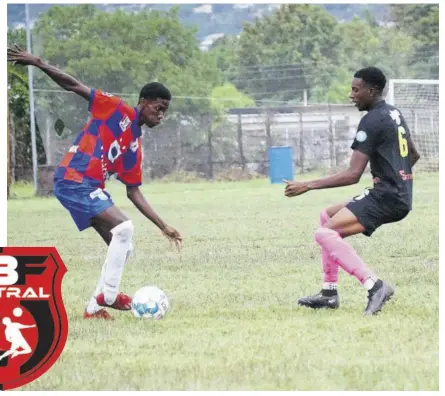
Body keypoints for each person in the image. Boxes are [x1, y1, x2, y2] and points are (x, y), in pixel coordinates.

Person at [7, 44, 183, 320]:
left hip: (90, 188)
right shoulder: (115, 108)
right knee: (123, 228)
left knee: (124, 246)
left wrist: (164, 226)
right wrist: (38, 62)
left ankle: (94, 308)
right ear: (145, 101)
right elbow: (74, 86)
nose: (161, 114)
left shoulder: (135, 145)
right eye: (159, 108)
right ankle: (110, 296)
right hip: (73, 179)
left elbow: (134, 192)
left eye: (165, 112)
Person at [284, 67, 420, 315]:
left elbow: (352, 175)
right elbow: (413, 154)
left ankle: (375, 286)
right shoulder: (394, 113)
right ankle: (329, 293)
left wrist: (307, 185)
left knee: (324, 234)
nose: (351, 95)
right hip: (396, 193)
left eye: (356, 90)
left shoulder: (371, 120)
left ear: (372, 90)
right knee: (328, 216)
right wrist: (394, 175)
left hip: (387, 196)